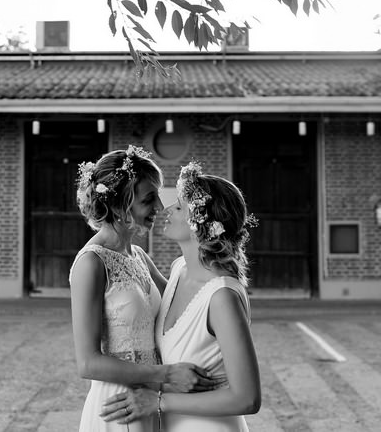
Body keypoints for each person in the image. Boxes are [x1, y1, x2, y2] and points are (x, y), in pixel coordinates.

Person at [99, 161, 262, 430]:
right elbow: (129, 273)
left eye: (179, 206)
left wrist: (159, 402)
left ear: (203, 222)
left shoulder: (222, 296)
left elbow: (248, 398)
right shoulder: (178, 270)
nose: (166, 209)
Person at [70, 146, 219, 431]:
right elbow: (88, 363)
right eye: (149, 199)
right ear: (118, 204)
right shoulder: (91, 263)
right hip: (118, 405)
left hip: (150, 400)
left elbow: (185, 309)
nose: (160, 209)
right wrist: (167, 374)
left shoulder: (138, 256)